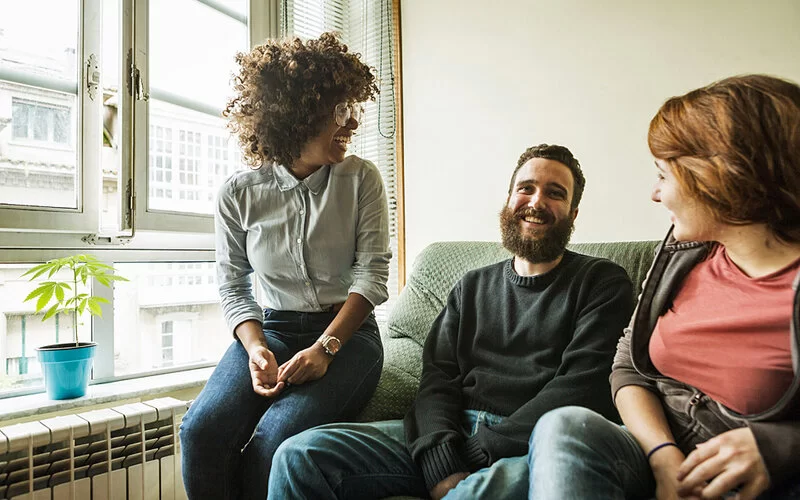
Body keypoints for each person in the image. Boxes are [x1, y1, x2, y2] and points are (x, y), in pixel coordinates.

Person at [267, 143, 635, 499]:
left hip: (534, 445)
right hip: (451, 434)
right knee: (300, 456)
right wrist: (441, 457)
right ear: (509, 201)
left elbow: (582, 387)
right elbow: (436, 379)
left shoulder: (603, 283)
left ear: (572, 214)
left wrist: (479, 454)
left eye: (555, 193)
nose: (537, 202)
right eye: (526, 188)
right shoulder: (471, 287)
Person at [528, 75, 800, 500]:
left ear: (718, 178)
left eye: (663, 176)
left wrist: (781, 446)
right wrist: (662, 457)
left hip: (759, 479)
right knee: (563, 427)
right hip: (654, 451)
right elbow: (628, 367)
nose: (656, 195)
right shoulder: (682, 252)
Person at [179, 33, 391, 500]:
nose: (352, 120)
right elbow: (233, 283)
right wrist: (255, 348)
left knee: (275, 441)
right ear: (296, 115)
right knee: (200, 432)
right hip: (270, 328)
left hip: (348, 336)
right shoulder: (239, 193)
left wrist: (325, 348)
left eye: (352, 107)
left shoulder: (362, 180)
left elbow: (373, 275)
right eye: (339, 109)